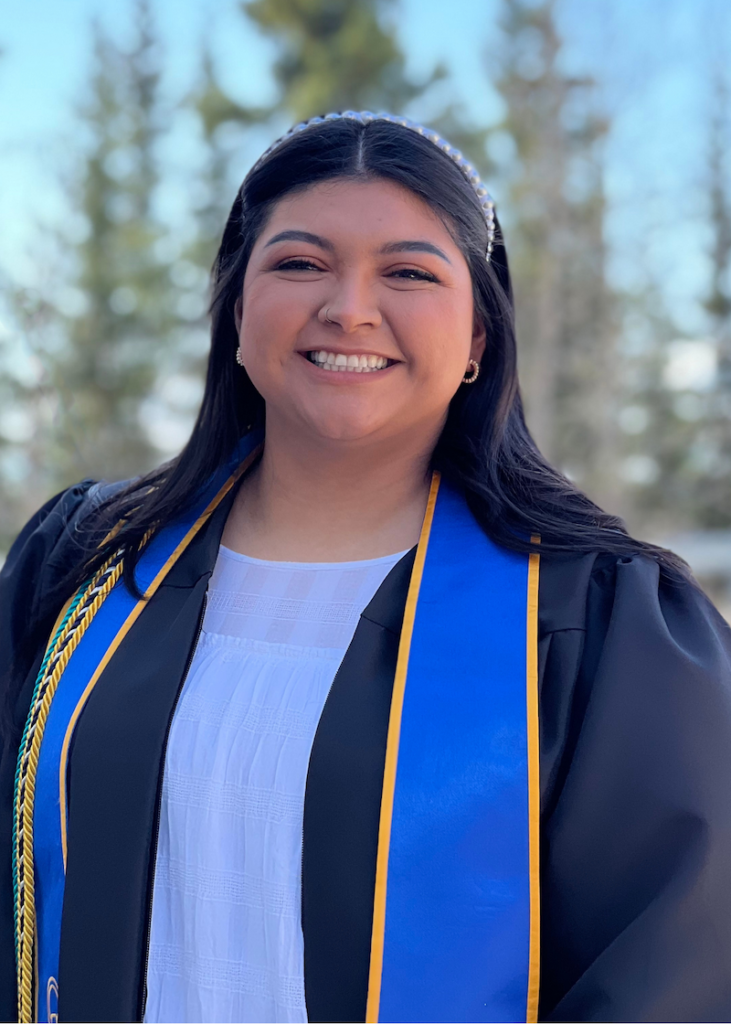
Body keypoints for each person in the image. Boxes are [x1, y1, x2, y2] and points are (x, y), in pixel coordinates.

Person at [2, 111, 731, 1024]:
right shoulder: (82, 566)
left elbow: (672, 976)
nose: (348, 307)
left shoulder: (595, 620)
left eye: (409, 272)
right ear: (235, 311)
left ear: (476, 339)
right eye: (299, 263)